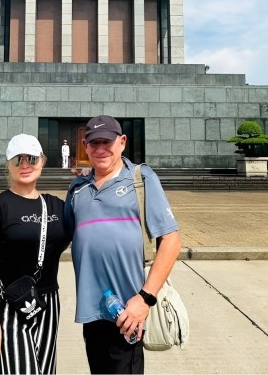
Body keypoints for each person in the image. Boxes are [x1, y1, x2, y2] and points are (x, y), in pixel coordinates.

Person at [65, 115, 182, 374]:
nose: (101, 148)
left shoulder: (141, 178)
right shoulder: (77, 188)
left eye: (107, 141)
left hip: (127, 310)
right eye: (94, 143)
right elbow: (63, 235)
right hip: (92, 311)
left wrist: (145, 299)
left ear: (122, 142)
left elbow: (171, 240)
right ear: (85, 146)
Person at [0, 134, 71, 374]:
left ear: (42, 161)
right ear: (8, 164)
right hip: (10, 303)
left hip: (48, 303)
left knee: (45, 370)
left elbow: (73, 239)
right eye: (18, 160)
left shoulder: (57, 206)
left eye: (31, 158)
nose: (25, 165)